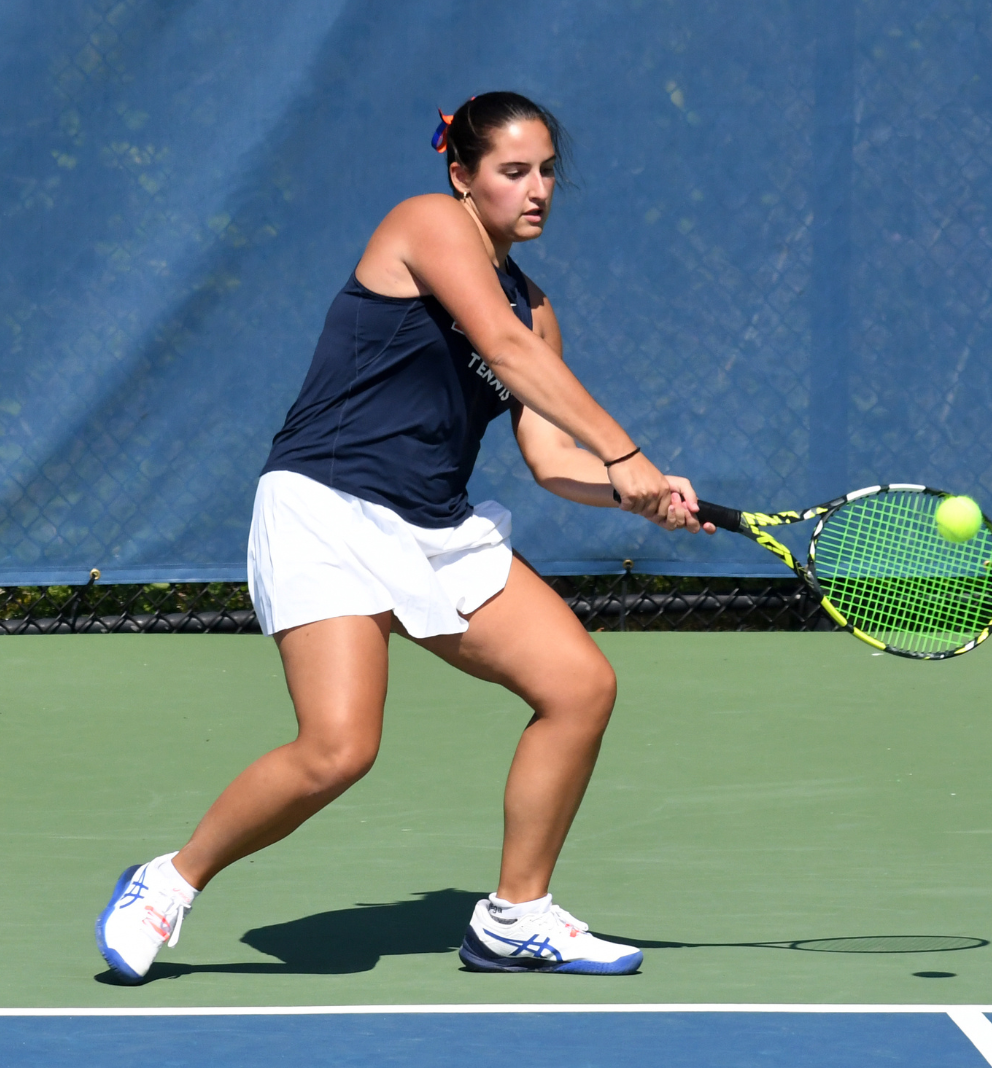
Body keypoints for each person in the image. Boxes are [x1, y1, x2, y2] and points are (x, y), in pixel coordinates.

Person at [96, 91, 703, 980]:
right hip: (326, 507)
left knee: (580, 686)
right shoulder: (424, 224)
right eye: (512, 172)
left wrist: (631, 491)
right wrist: (627, 451)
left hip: (434, 526)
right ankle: (170, 881)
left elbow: (545, 453)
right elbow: (496, 344)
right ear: (462, 175)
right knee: (339, 749)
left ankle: (515, 916)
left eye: (545, 174)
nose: (536, 191)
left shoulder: (538, 310)